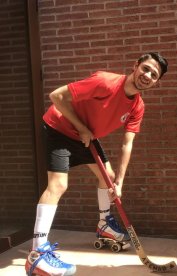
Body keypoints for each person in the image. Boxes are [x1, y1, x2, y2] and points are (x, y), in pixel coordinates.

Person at [25, 52, 168, 276]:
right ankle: (37, 255)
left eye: (154, 74)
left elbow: (127, 144)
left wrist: (119, 182)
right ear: (136, 66)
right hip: (59, 128)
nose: (148, 75)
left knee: (108, 177)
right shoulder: (106, 83)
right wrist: (81, 128)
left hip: (87, 136)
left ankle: (104, 226)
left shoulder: (137, 106)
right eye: (146, 68)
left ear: (156, 82)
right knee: (58, 185)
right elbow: (56, 96)